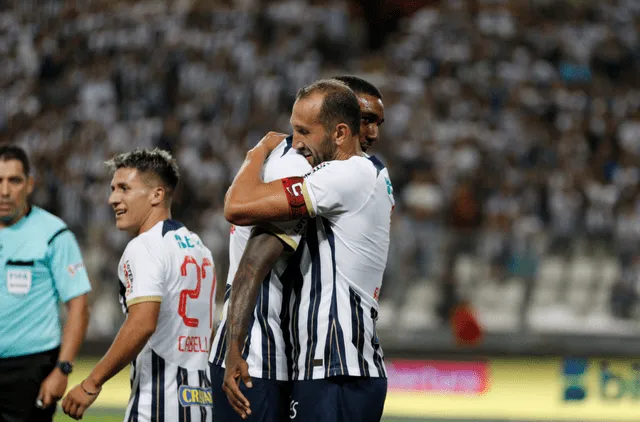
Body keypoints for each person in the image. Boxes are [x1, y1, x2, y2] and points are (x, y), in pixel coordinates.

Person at [210, 76, 385, 422]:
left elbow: (238, 215)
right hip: (271, 357)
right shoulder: (299, 164)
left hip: (321, 360)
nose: (372, 133)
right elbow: (250, 262)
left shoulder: (342, 173)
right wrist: (235, 349)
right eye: (296, 131)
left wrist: (256, 152)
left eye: (374, 122)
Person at [62, 148, 217, 422]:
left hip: (157, 405)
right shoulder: (199, 248)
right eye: (113, 189)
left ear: (157, 195)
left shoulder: (144, 247)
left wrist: (91, 383)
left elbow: (143, 322)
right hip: (200, 401)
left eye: (124, 188)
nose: (112, 199)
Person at [0, 145, 91, 422]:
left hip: (31, 369)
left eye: (14, 180)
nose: (4, 190)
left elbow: (79, 307)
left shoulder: (54, 234)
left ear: (30, 184)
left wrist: (62, 369)